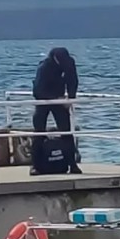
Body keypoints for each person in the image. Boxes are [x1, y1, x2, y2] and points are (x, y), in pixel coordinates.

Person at [31, 47, 81, 175]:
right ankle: (35, 166)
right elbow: (37, 91)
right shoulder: (44, 67)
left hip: (59, 101)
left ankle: (72, 164)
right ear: (55, 58)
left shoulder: (69, 62)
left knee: (67, 132)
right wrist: (54, 98)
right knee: (39, 133)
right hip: (43, 100)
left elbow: (72, 80)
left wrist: (70, 98)